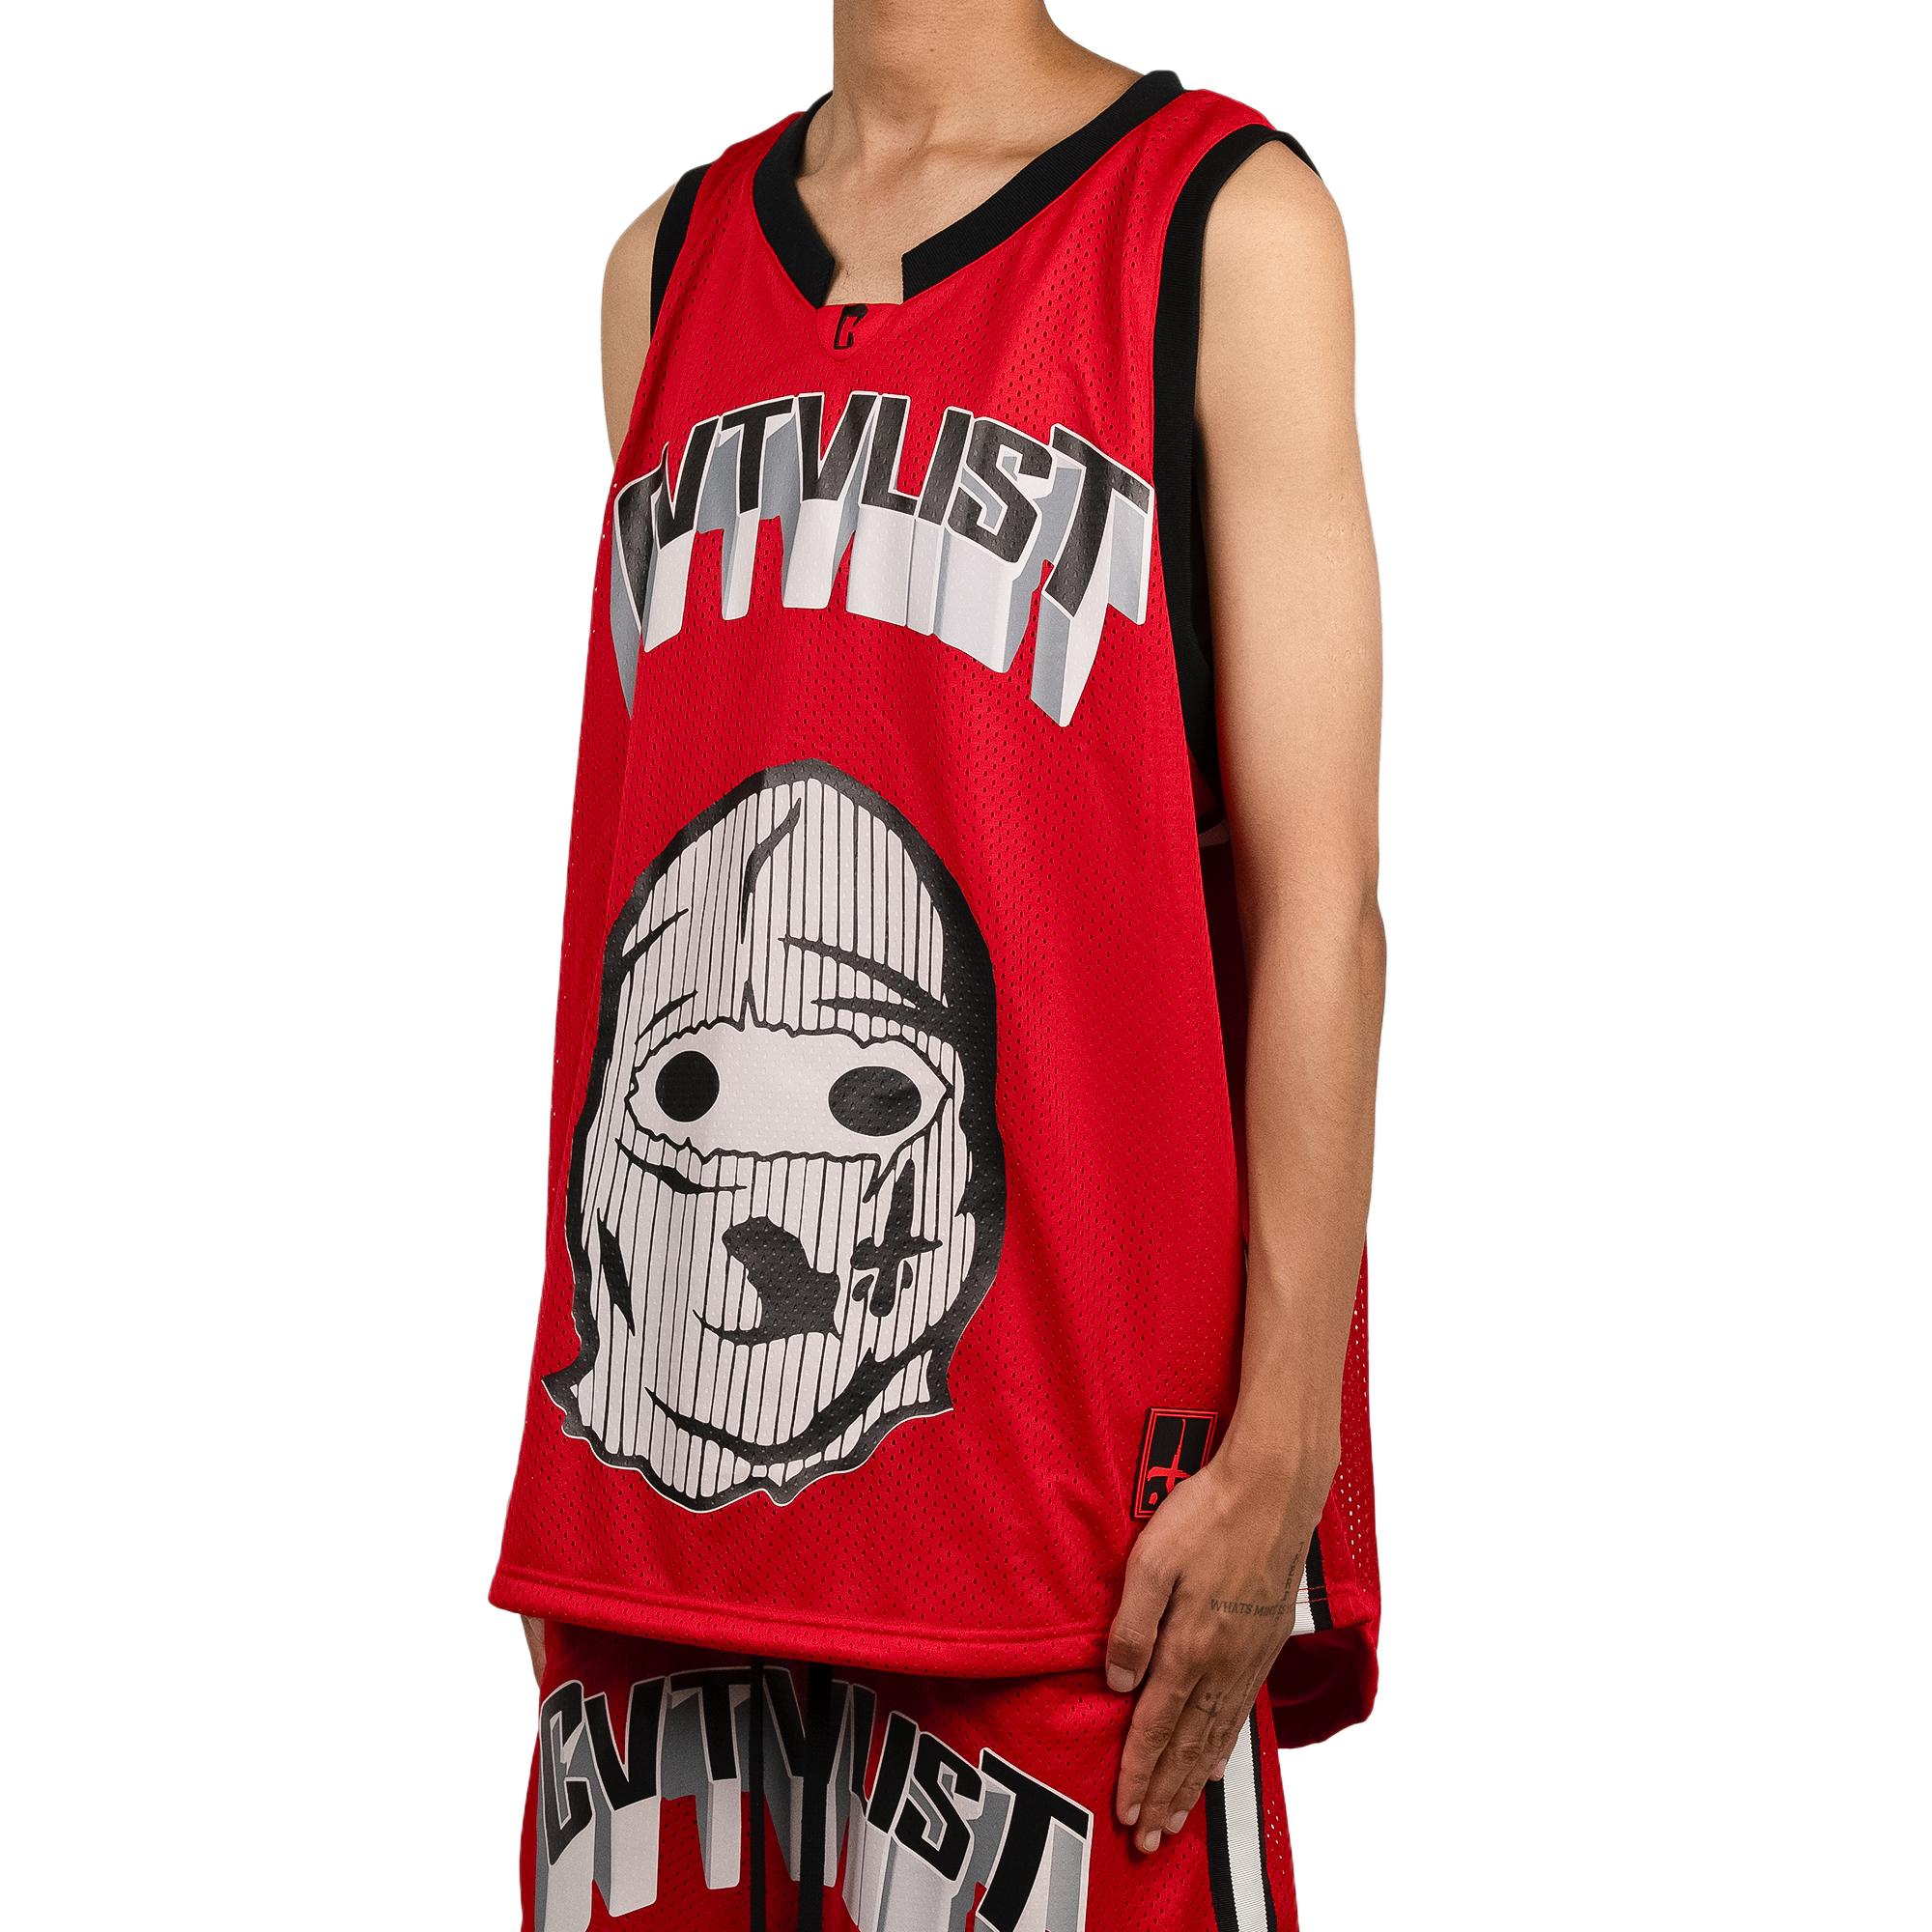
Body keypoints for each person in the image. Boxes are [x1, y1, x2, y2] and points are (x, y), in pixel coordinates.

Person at [490, 5, 1384, 1927]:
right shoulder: (666, 264)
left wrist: (1284, 1450)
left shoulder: (1220, 220)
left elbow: (1320, 900)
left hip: (1065, 1530)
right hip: (661, 1546)